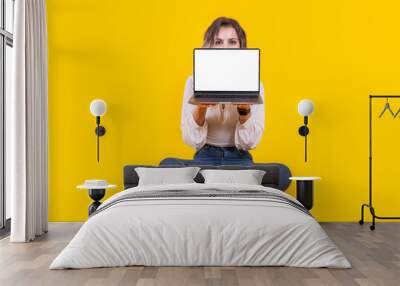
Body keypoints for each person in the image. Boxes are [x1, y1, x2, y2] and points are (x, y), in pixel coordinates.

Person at [161, 17, 265, 166]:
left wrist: (244, 111)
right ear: (209, 45)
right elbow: (191, 139)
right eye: (218, 42)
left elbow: (251, 142)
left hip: (240, 158)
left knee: (281, 171)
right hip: (205, 156)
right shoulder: (193, 82)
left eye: (232, 42)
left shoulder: (255, 84)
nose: (226, 48)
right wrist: (201, 108)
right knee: (167, 164)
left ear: (241, 46)